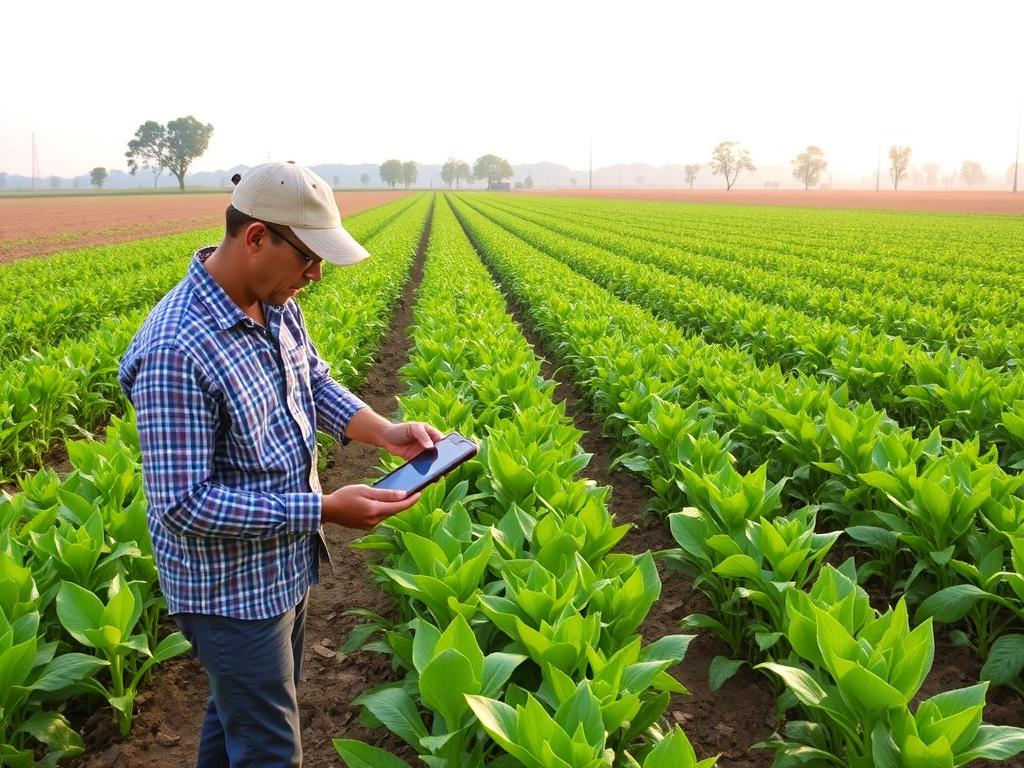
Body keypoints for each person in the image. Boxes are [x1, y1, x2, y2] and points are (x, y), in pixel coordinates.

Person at [118, 161, 442, 767]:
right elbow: (184, 504)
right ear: (257, 238)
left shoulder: (272, 300)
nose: (316, 275)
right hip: (228, 592)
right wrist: (322, 508)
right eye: (308, 257)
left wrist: (384, 430)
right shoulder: (175, 349)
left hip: (280, 566)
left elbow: (311, 381)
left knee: (235, 711)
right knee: (269, 746)